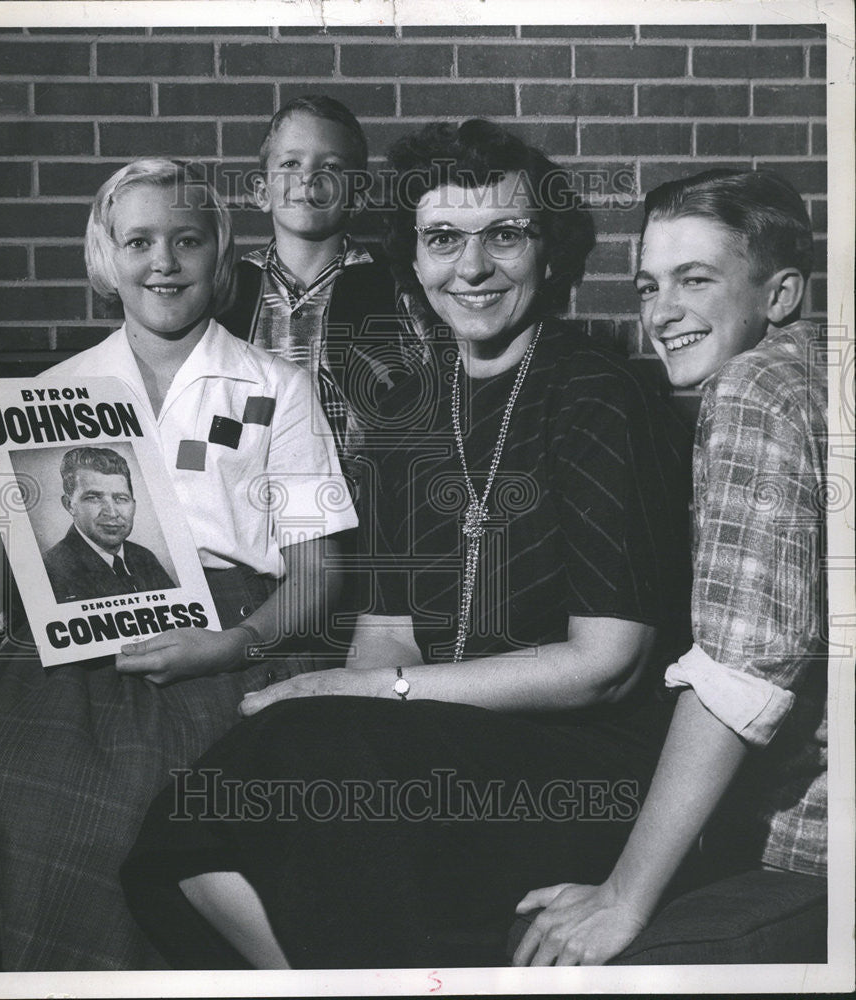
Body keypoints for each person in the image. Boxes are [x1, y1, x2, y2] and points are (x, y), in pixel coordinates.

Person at [119, 119, 693, 970]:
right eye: (441, 240)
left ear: (550, 251)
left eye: (504, 235)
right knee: (192, 829)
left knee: (320, 755)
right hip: (438, 735)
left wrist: (373, 699)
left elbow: (604, 664)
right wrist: (341, 697)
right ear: (414, 258)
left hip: (586, 759)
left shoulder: (602, 392)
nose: (470, 268)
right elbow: (383, 631)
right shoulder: (407, 410)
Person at [0, 158, 357, 970]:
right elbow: (14, 587)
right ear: (107, 257)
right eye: (138, 241)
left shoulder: (272, 386)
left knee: (144, 808)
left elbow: (318, 578)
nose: (163, 261)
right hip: (74, 639)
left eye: (186, 240)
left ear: (219, 254)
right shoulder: (53, 392)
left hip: (230, 632)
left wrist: (234, 644)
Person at [512, 170, 827, 966]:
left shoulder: (756, 387)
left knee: (556, 953)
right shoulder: (827, 365)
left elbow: (741, 667)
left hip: (811, 846)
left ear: (779, 293)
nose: (660, 312)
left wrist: (622, 896)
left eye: (695, 280)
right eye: (648, 285)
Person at [217, 95, 417, 498]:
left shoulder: (397, 292)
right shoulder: (228, 291)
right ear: (261, 190)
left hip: (363, 518)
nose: (308, 178)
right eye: (291, 164)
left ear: (358, 195)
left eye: (331, 167)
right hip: (250, 515)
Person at [42, 446, 175, 602]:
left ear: (133, 504)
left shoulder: (144, 558)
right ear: (70, 505)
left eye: (121, 499)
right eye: (94, 497)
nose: (111, 513)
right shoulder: (50, 570)